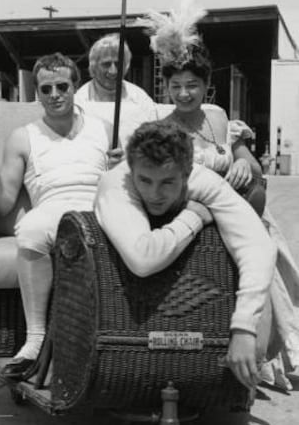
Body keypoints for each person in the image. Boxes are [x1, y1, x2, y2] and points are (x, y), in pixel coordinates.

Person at [141, 0, 299, 388]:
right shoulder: (163, 128)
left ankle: (271, 353)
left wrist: (244, 158)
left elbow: (247, 160)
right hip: (201, 220)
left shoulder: (218, 118)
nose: (183, 94)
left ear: (207, 87)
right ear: (166, 88)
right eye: (175, 86)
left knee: (270, 254)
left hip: (244, 214)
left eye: (192, 85)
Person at [0, 52, 121, 378]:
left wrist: (123, 168)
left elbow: (123, 181)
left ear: (75, 86)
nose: (54, 95)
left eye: (62, 86)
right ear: (36, 92)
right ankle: (34, 338)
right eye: (45, 89)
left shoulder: (104, 128)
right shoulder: (24, 136)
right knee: (31, 229)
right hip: (52, 210)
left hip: (98, 206)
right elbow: (5, 203)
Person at [95, 120, 276, 391]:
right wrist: (194, 217)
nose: (155, 194)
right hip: (128, 296)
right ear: (131, 170)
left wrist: (243, 328)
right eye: (145, 180)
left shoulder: (202, 179)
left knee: (260, 346)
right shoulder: (115, 184)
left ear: (187, 172)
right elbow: (143, 260)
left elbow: (257, 244)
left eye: (168, 181)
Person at [75, 33, 157, 122]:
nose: (113, 71)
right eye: (106, 64)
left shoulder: (139, 97)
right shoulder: (81, 99)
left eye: (118, 64)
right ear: (94, 67)